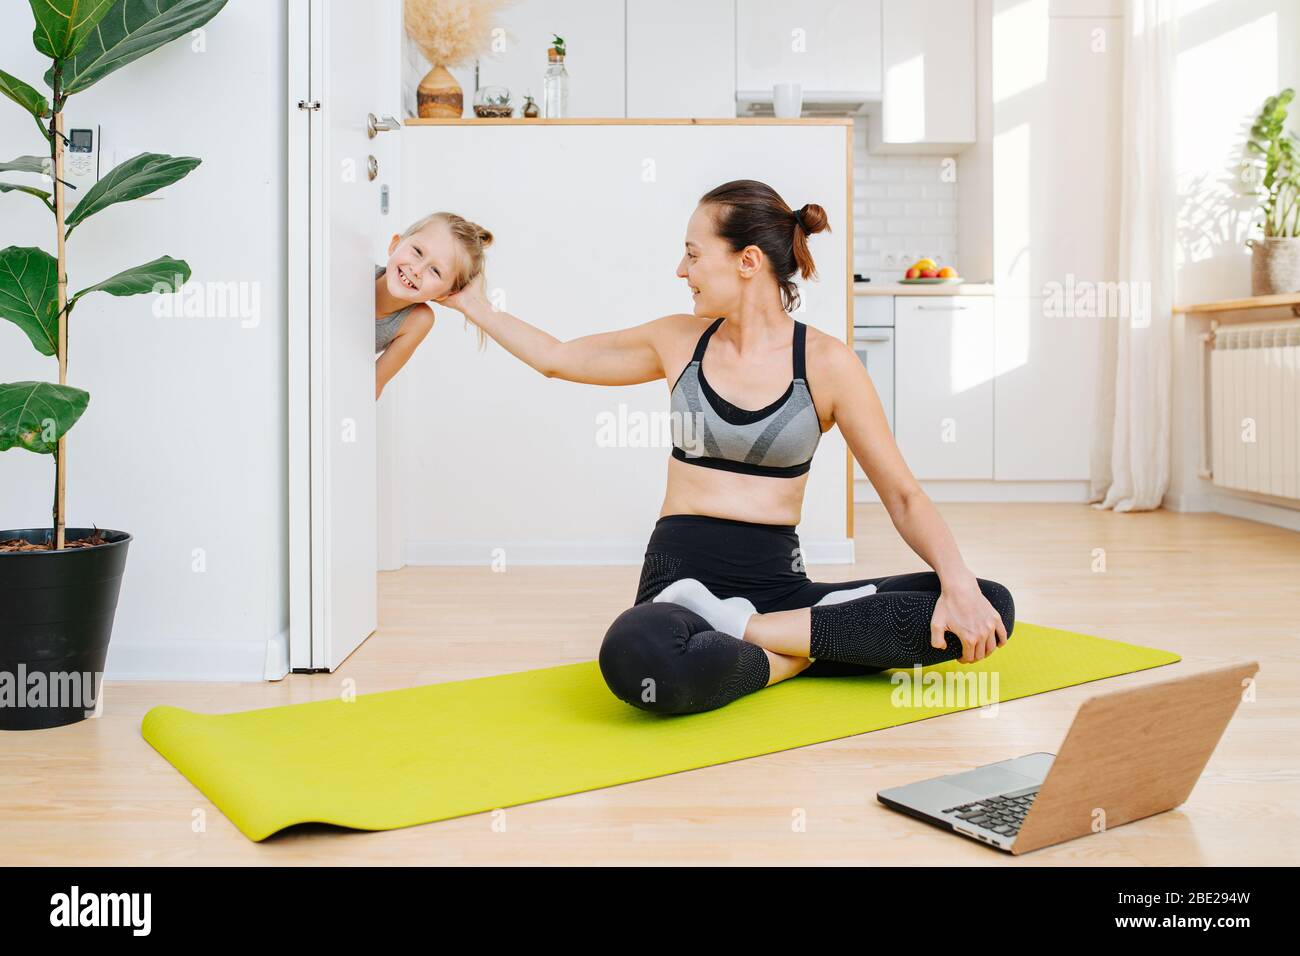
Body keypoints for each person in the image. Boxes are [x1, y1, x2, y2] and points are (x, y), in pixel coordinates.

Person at [439, 179, 1015, 715]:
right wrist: (471, 303)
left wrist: (959, 586)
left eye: (692, 254)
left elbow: (903, 496)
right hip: (679, 580)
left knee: (987, 603)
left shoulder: (827, 364)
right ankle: (808, 643)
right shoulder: (676, 340)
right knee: (638, 653)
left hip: (780, 586)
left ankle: (755, 635)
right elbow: (558, 358)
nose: (679, 269)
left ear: (747, 261)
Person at [374, 211, 492, 399]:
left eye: (435, 271)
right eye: (418, 252)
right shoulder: (356, 268)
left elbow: (374, 384)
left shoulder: (417, 320)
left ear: (446, 294)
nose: (417, 270)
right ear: (395, 244)